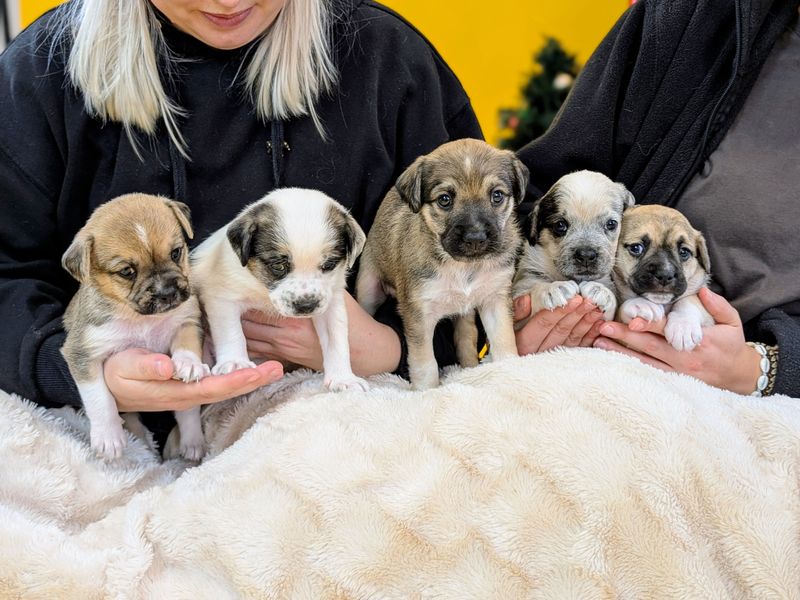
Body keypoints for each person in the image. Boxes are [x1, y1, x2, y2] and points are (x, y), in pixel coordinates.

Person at [0, 0, 482, 442]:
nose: (227, 2)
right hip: (109, 432)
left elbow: (477, 264)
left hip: (345, 426)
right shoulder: (42, 72)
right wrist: (86, 372)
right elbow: (8, 277)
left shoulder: (384, 57)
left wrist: (388, 348)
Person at [512, 0, 799, 397]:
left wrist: (768, 367)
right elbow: (531, 195)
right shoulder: (681, 17)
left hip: (769, 401)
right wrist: (523, 311)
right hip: (582, 359)